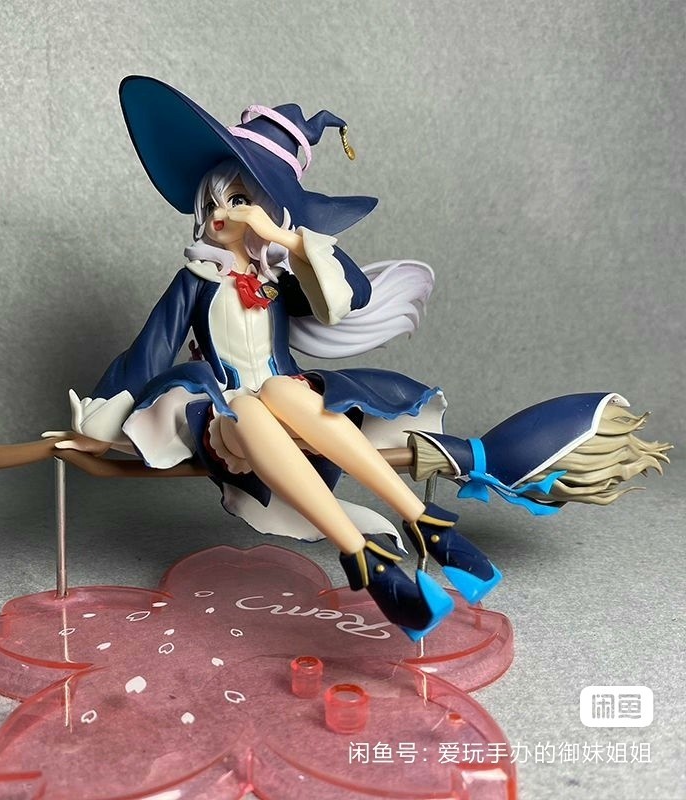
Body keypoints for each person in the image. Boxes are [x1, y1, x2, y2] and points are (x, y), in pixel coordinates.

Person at [46, 76, 501, 640]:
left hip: (288, 401)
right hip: (223, 410)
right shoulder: (195, 279)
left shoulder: (279, 276)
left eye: (238, 199)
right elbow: (152, 348)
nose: (222, 213)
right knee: (252, 406)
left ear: (267, 207)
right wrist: (102, 414)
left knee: (283, 390)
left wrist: (284, 239)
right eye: (213, 202)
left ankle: (426, 524)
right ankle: (364, 556)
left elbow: (351, 292)